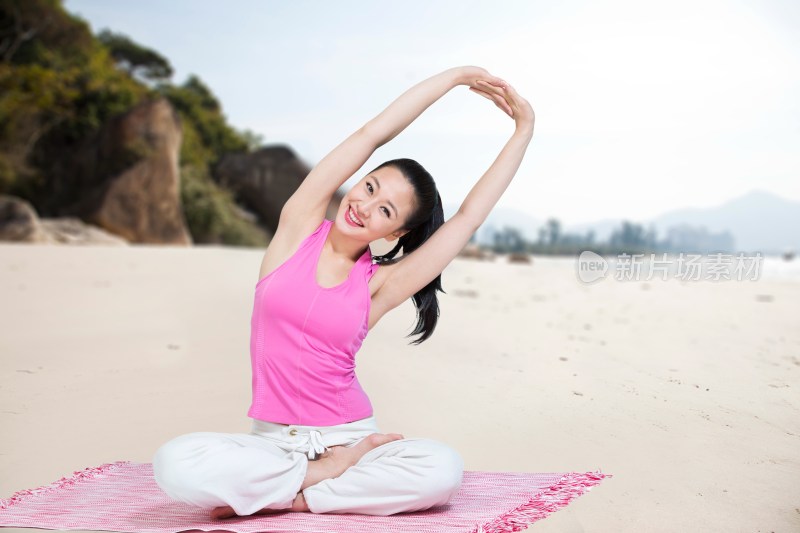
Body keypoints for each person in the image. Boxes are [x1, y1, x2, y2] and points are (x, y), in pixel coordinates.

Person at [151, 65, 535, 519]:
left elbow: (468, 218)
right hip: (272, 442)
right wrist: (452, 78)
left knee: (441, 470)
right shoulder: (298, 228)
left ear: (395, 233)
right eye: (369, 187)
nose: (364, 206)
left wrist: (523, 130)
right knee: (174, 463)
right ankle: (321, 481)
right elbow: (372, 133)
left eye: (385, 209)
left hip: (350, 437)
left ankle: (298, 495)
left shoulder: (380, 285)